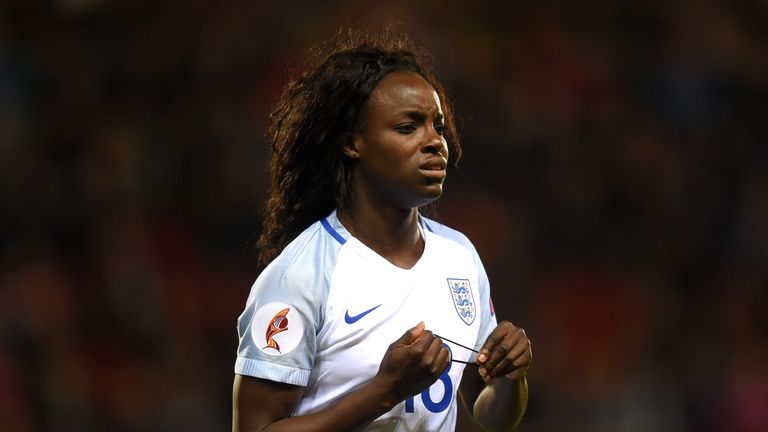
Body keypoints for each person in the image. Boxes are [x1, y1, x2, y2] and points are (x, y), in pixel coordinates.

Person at [232, 29, 532, 432]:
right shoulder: (300, 277)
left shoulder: (459, 256)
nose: (435, 142)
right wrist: (386, 391)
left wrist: (512, 378)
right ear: (352, 143)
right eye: (409, 127)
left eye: (438, 127)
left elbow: (490, 413)